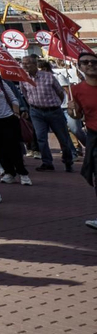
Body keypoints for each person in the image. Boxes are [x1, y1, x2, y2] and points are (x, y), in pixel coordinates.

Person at [21, 53, 75, 172]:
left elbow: (60, 92)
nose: (25, 66)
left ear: (35, 64)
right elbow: (25, 94)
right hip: (36, 112)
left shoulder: (48, 76)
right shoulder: (23, 78)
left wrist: (56, 105)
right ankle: (47, 162)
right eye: (23, 64)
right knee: (41, 138)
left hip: (54, 111)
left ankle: (68, 161)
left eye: (27, 63)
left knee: (63, 138)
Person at [66, 52, 97, 231]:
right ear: (80, 67)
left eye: (94, 62)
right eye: (85, 62)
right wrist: (72, 111)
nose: (90, 65)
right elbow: (76, 117)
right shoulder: (76, 90)